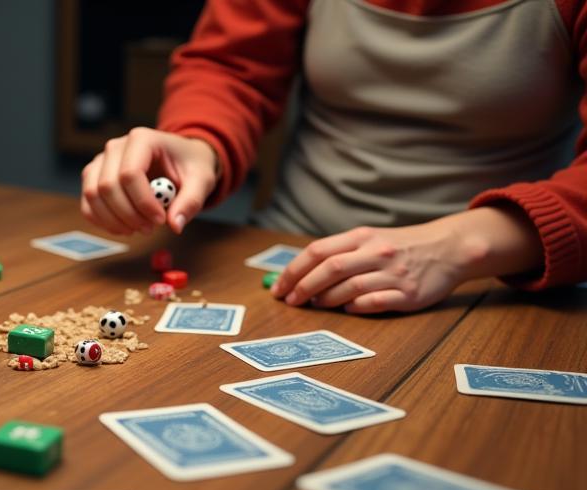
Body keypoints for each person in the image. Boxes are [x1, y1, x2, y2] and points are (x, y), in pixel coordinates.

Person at [81, 0, 586, 314]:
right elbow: (232, 67)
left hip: (494, 285)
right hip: (295, 247)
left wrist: (468, 246)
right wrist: (198, 140)